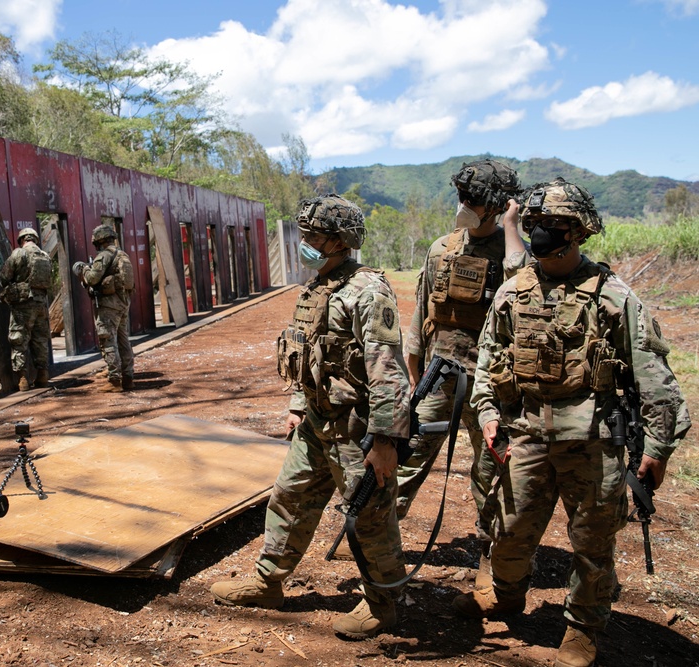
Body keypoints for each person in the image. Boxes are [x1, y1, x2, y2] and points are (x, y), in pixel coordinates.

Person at [454, 178, 691, 667]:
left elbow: (657, 381)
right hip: (526, 436)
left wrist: (656, 451)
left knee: (592, 541)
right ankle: (506, 593)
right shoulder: (512, 292)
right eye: (535, 224)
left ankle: (582, 629)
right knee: (507, 529)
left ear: (579, 231)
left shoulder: (613, 297)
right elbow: (487, 361)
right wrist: (490, 413)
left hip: (593, 440)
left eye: (554, 225)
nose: (541, 233)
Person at [209, 194, 411, 640]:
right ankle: (268, 583)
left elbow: (387, 372)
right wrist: (299, 406)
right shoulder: (319, 285)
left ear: (340, 241)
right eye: (305, 235)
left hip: (356, 430)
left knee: (371, 515)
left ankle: (383, 602)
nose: (305, 244)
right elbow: (310, 354)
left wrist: (384, 441)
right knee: (290, 496)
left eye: (314, 237)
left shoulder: (367, 292)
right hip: (316, 423)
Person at [395, 159, 528, 587]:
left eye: (476, 200)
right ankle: (373, 531)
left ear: (499, 206)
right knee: (406, 455)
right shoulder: (442, 248)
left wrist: (511, 227)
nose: (465, 205)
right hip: (440, 374)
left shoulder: (516, 255)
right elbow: (422, 315)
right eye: (462, 197)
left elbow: (522, 288)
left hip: (493, 383)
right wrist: (413, 371)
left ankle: (491, 559)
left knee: (492, 473)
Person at [74, 224, 135, 392]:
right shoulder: (123, 255)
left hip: (108, 306)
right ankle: (128, 377)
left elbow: (93, 279)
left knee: (108, 340)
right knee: (123, 341)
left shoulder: (105, 256)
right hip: (123, 304)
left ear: (99, 241)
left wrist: (84, 269)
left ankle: (114, 381)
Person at [0, 226, 52, 391]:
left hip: (23, 304)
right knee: (40, 339)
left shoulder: (19, 253)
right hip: (42, 304)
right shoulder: (45, 256)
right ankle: (42, 375)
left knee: (19, 339)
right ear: (35, 239)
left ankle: (23, 380)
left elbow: (4, 276)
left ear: (22, 239)